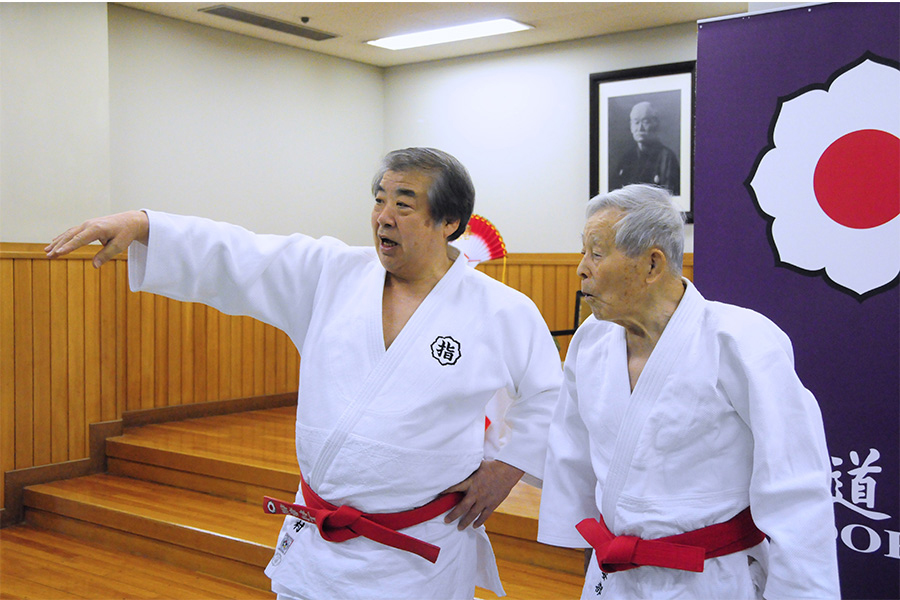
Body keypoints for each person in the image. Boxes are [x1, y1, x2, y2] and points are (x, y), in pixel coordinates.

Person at [46, 147, 562, 600]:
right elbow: (243, 255)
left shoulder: (501, 310)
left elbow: (546, 393)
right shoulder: (332, 274)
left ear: (450, 221)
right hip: (319, 541)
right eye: (378, 199)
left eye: (403, 204)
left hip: (418, 552)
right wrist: (144, 225)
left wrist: (507, 465)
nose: (383, 216)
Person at [536, 184, 840, 599]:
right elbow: (571, 448)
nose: (581, 268)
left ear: (652, 264)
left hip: (710, 577)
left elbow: (796, 485)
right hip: (614, 575)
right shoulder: (591, 340)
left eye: (596, 252)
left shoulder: (740, 341)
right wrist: (580, 541)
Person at [609, 102, 680, 195]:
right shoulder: (626, 159)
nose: (640, 128)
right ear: (631, 127)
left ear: (655, 124)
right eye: (636, 122)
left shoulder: (666, 157)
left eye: (645, 122)